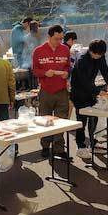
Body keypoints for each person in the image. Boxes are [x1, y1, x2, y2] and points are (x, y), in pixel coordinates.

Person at [70, 40, 108, 159]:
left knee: (94, 117)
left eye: (101, 55)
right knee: (81, 120)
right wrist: (98, 91)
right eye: (97, 55)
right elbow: (83, 81)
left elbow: (104, 69)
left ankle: (93, 143)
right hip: (78, 92)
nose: (99, 57)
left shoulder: (100, 56)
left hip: (91, 91)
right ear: (91, 51)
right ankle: (81, 147)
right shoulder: (82, 60)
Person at [32, 25, 70, 159]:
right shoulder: (38, 51)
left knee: (61, 120)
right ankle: (45, 146)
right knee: (44, 120)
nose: (59, 41)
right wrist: (44, 73)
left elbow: (68, 67)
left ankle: (59, 148)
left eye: (61, 39)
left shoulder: (65, 49)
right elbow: (34, 70)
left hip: (61, 90)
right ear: (49, 37)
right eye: (56, 39)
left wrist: (67, 73)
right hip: (46, 90)